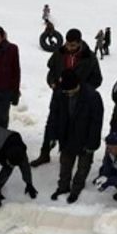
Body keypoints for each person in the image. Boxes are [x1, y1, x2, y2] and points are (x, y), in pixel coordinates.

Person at [31, 28, 103, 168]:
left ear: (79, 43)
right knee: (52, 121)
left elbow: (97, 79)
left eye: (73, 45)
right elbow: (51, 71)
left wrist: (83, 90)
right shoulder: (59, 53)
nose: (69, 48)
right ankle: (45, 152)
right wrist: (52, 82)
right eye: (68, 44)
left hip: (79, 98)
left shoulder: (89, 57)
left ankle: (71, 154)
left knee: (73, 124)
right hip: (59, 94)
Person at [46, 69, 104, 203]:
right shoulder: (60, 93)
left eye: (70, 91)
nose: (67, 93)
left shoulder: (92, 96)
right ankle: (63, 187)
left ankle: (77, 187)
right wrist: (52, 135)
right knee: (65, 164)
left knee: (83, 166)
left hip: (85, 137)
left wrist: (92, 144)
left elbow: (96, 122)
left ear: (78, 84)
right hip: (66, 136)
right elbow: (53, 115)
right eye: (65, 91)